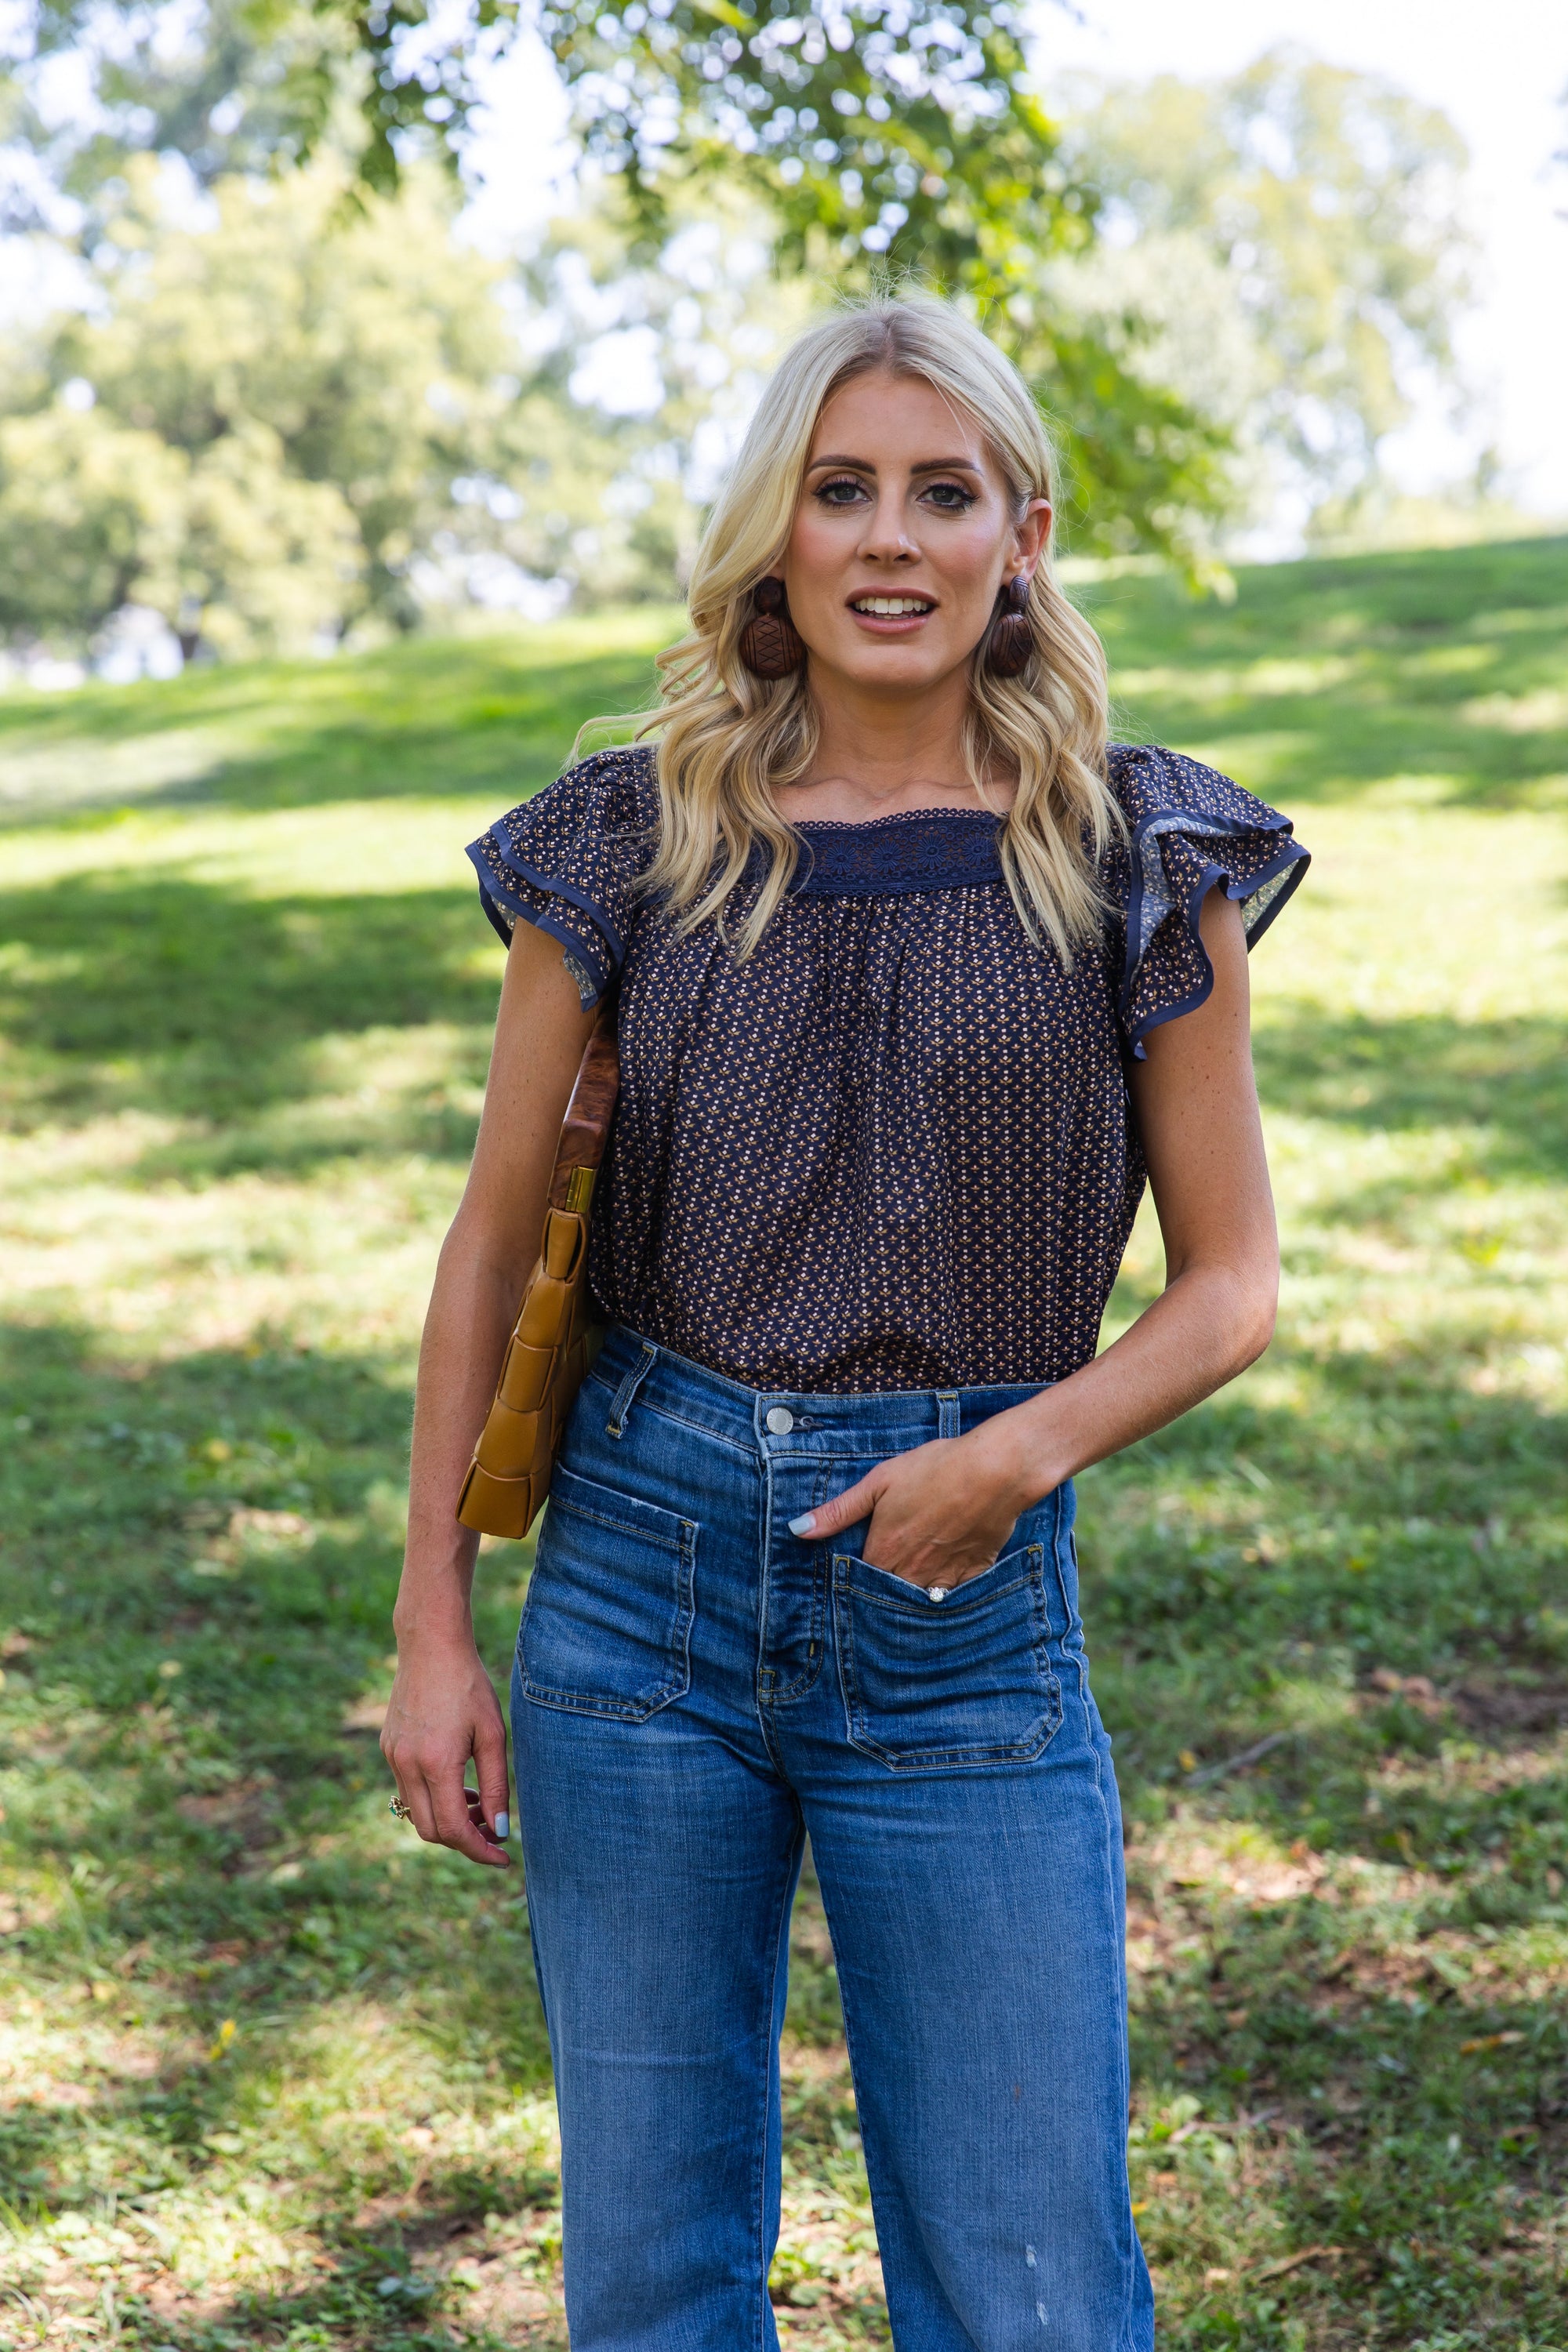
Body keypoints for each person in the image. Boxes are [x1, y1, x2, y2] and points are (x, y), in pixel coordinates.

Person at [382, 295, 1308, 2352]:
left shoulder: (1139, 851)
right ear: (776, 540)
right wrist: (436, 1623)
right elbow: (490, 1234)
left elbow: (1234, 1285)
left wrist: (1013, 1455)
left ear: (1023, 540)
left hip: (963, 1602)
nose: (893, 540)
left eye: (943, 494)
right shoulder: (624, 836)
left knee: (1032, 2288)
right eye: (842, 490)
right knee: (656, 2275)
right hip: (638, 1587)